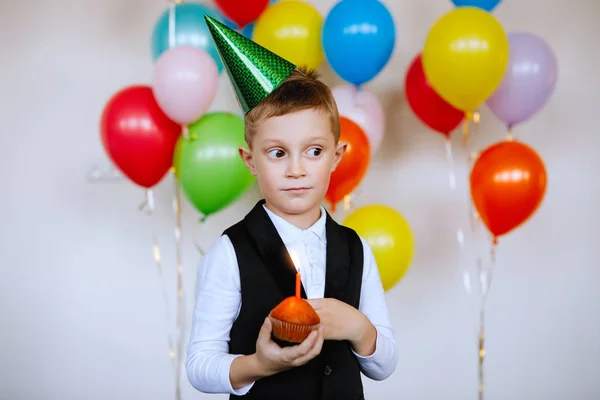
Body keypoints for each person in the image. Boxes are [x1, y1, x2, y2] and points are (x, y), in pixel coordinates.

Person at [186, 15, 399, 400]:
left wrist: (358, 326)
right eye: (278, 153)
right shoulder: (230, 251)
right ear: (250, 160)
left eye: (314, 151)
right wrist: (258, 365)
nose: (297, 169)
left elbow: (383, 366)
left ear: (337, 156)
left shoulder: (356, 249)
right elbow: (200, 365)